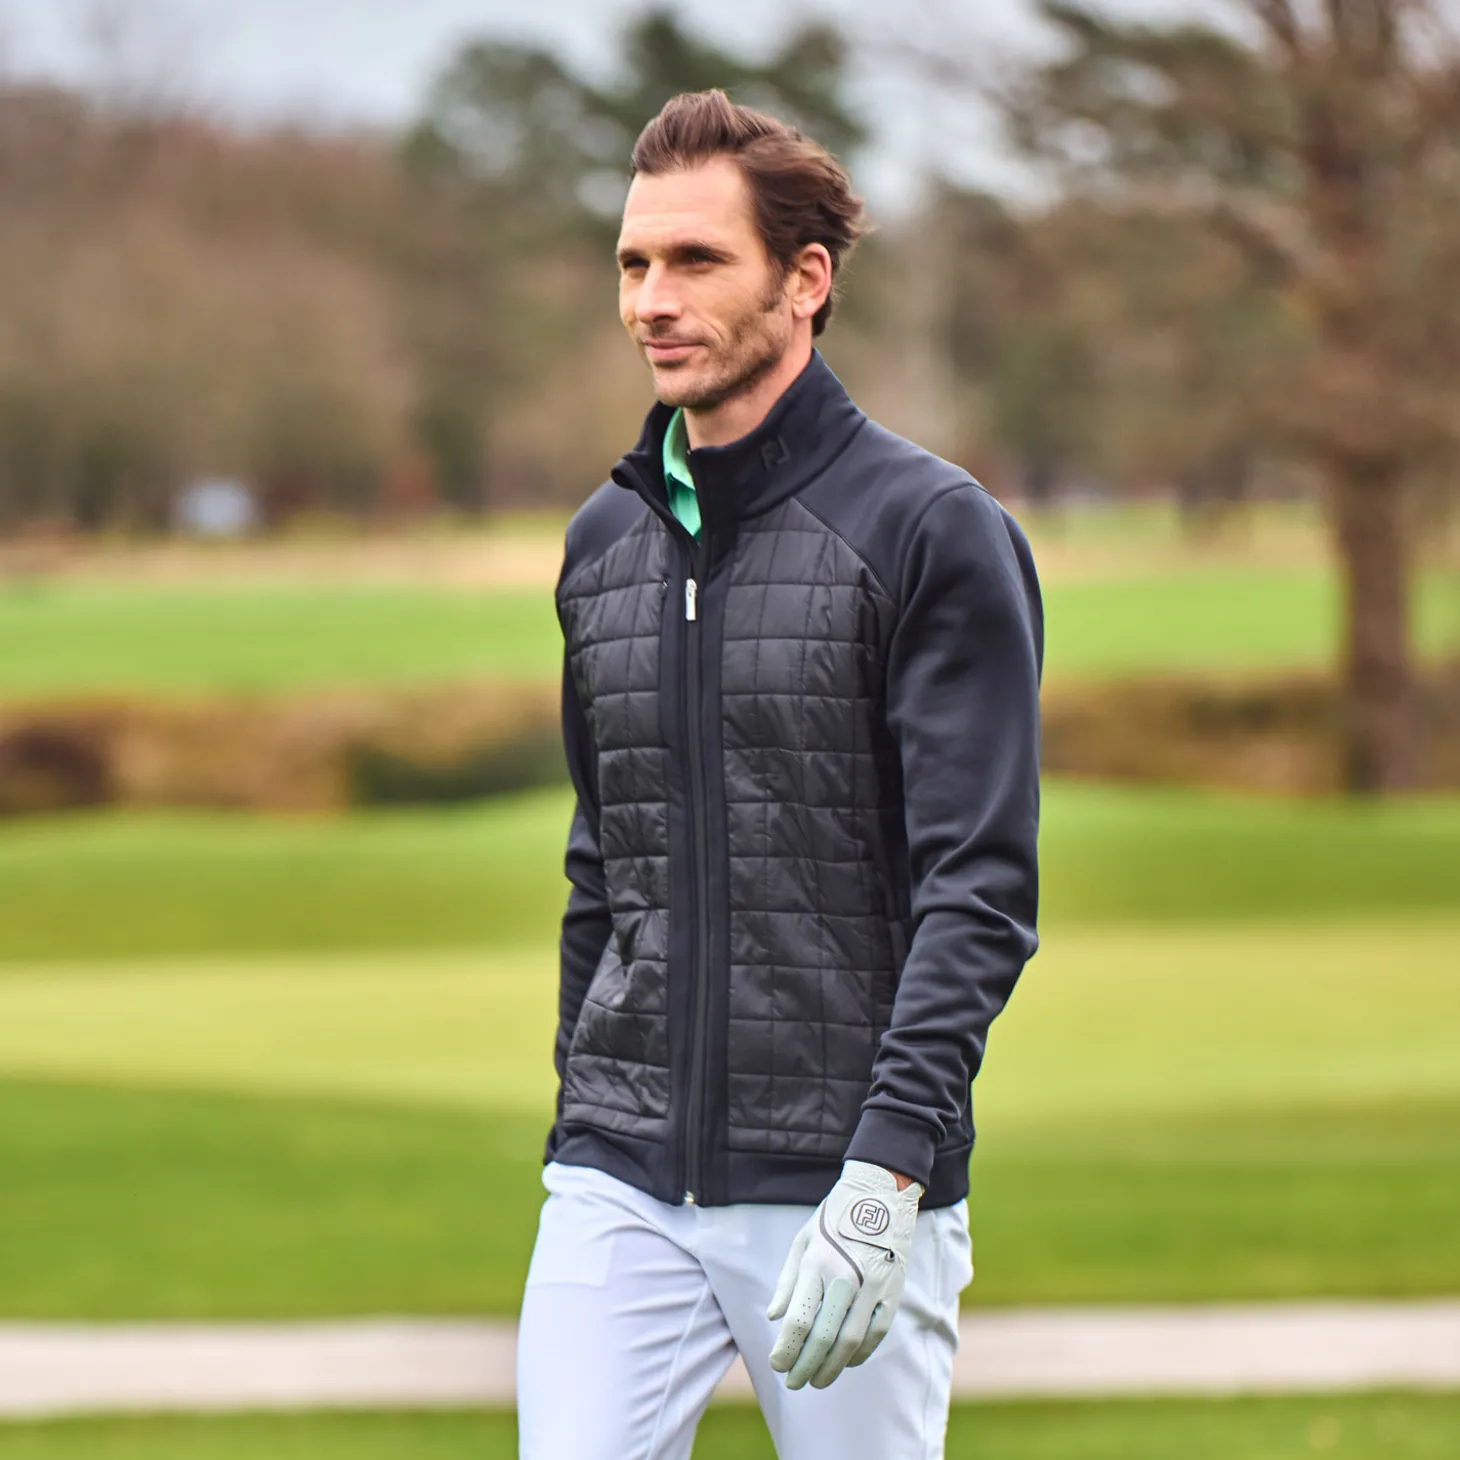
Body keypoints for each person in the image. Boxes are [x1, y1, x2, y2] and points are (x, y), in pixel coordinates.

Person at [517, 88, 1042, 1460]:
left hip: (845, 1183)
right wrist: (580, 1112)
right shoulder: (601, 544)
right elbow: (603, 865)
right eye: (634, 262)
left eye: (697, 260)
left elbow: (979, 888)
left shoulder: (931, 529)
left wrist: (890, 1171)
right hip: (620, 1175)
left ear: (803, 280)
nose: (653, 300)